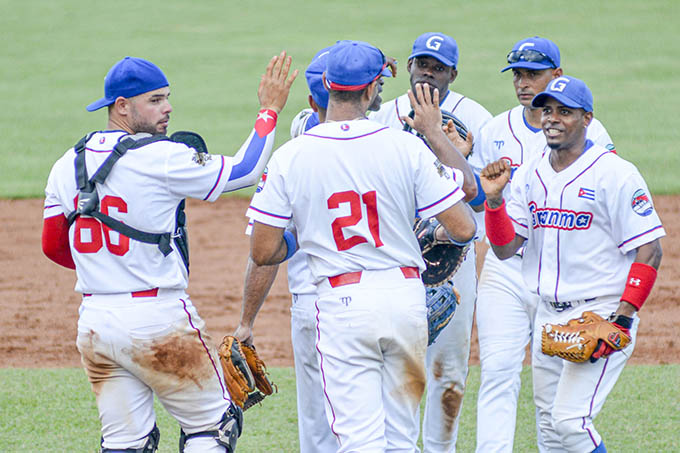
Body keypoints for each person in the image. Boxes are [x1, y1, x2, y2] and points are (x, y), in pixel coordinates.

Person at [41, 54, 296, 452]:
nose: (168, 108)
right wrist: (269, 110)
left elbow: (54, 245)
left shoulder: (65, 164)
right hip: (157, 321)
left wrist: (109, 266)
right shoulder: (160, 157)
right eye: (156, 100)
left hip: (95, 324)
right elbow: (245, 169)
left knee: (126, 442)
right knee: (213, 427)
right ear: (122, 106)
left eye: (167, 98)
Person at [243, 40, 477, 452]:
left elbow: (263, 251)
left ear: (326, 87)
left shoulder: (292, 156)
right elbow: (463, 227)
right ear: (372, 91)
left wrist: (302, 239)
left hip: (342, 304)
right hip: (406, 300)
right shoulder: (406, 146)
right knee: (402, 440)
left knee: (358, 441)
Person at [479, 75, 664, 453]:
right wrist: (495, 203)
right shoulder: (531, 172)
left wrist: (623, 319)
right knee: (550, 432)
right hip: (547, 317)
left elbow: (650, 249)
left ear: (587, 119)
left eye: (565, 112)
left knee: (570, 422)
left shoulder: (615, 173)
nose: (552, 118)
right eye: (547, 110)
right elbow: (505, 248)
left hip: (600, 313)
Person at [468, 37, 615, 453]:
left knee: (551, 394)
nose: (523, 83)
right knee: (497, 371)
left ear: (557, 75)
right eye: (517, 74)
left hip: (557, 276)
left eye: (532, 73)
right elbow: (479, 197)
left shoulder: (591, 131)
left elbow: (605, 195)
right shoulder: (495, 129)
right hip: (505, 268)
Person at [370, 31, 491, 452]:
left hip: (453, 262)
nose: (428, 73)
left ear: (453, 74)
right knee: (397, 365)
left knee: (450, 372)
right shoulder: (381, 116)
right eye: (422, 64)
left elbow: (486, 198)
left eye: (438, 68)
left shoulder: (476, 117)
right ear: (409, 67)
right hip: (394, 259)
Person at [236, 46, 338, 453]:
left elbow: (263, 252)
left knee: (318, 426)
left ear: (313, 101)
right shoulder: (395, 147)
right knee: (384, 419)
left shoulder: (289, 159)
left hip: (314, 305)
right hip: (383, 300)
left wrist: (246, 321)